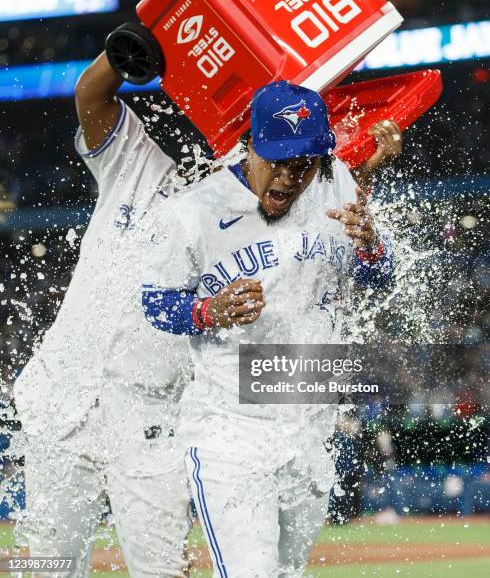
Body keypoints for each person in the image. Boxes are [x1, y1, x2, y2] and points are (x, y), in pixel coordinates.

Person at [142, 80, 396, 577]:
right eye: (273, 160)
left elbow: (378, 279)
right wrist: (207, 311)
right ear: (248, 145)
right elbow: (155, 304)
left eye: (300, 165)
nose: (285, 177)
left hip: (308, 428)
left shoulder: (335, 185)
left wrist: (372, 248)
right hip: (229, 431)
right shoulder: (192, 212)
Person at [14, 52, 192, 578]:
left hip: (152, 422)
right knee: (49, 565)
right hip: (63, 403)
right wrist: (118, 54)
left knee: (161, 570)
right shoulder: (139, 160)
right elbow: (90, 95)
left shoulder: (245, 211)